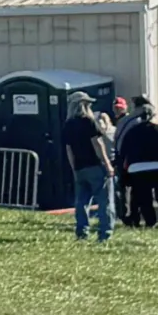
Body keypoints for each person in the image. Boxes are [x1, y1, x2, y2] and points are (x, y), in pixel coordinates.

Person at [118, 94, 158, 227]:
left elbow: (124, 151)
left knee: (144, 197)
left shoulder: (132, 132)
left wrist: (123, 169)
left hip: (138, 168)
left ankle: (150, 221)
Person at [63, 94, 113, 241]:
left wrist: (74, 168)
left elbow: (69, 149)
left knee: (82, 202)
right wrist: (107, 163)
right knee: (105, 201)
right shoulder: (89, 122)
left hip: (79, 167)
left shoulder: (68, 124)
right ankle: (104, 233)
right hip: (95, 166)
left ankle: (82, 231)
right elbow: (98, 144)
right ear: (84, 105)